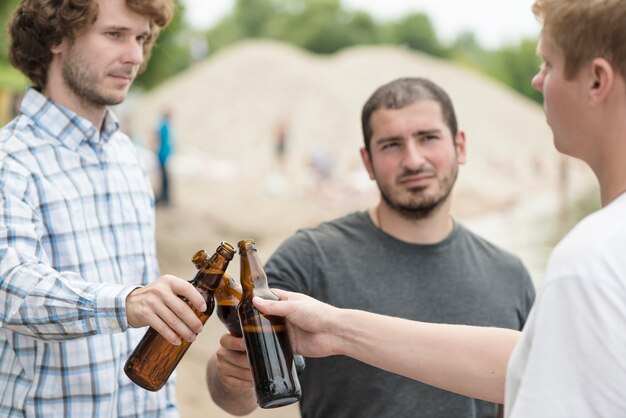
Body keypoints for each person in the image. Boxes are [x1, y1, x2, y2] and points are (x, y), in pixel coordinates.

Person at [248, 1, 626, 416]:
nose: (537, 81)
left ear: (597, 81)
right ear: (368, 160)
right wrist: (336, 329)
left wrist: (337, 329)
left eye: (548, 65)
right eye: (392, 144)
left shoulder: (588, 262)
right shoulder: (597, 255)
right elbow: (528, 362)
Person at [206, 77, 536, 417]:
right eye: (391, 144)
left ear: (460, 146)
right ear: (367, 162)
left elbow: (527, 396)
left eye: (428, 138)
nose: (413, 159)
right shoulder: (310, 256)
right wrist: (235, 379)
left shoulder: (510, 275)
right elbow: (230, 395)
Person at [0, 0, 210, 416]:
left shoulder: (126, 156)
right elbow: (11, 288)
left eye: (142, 38)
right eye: (115, 34)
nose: (134, 56)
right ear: (56, 36)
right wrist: (126, 303)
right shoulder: (10, 159)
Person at [155, 108, 174, 206]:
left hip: (164, 155)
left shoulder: (163, 125)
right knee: (164, 179)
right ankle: (165, 198)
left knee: (165, 178)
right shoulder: (164, 126)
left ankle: (165, 197)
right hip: (163, 155)